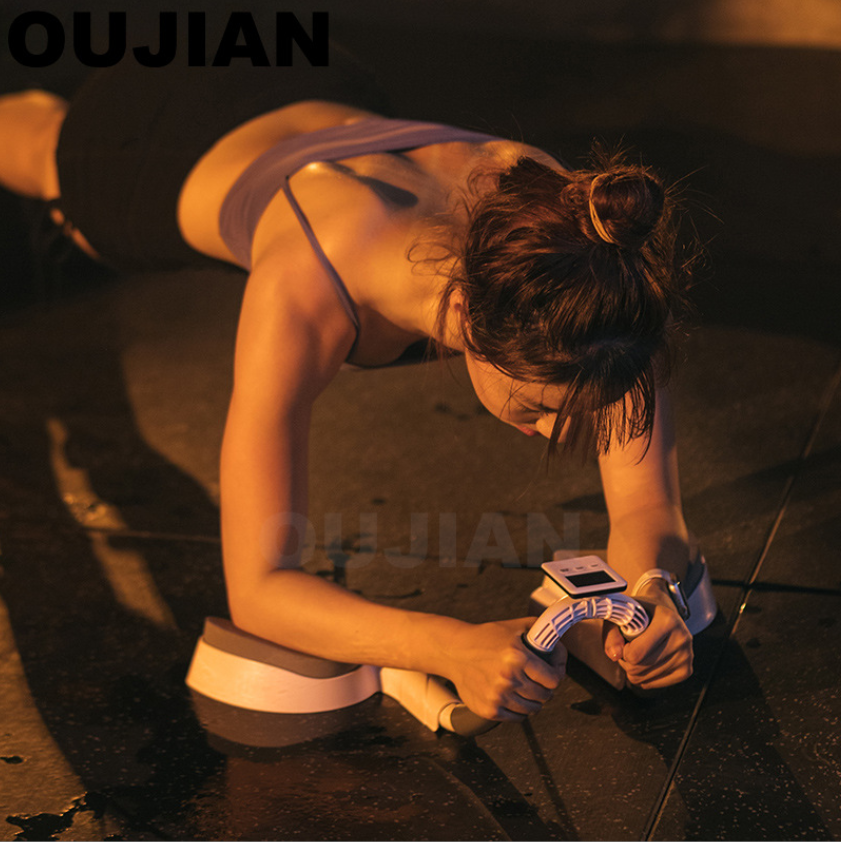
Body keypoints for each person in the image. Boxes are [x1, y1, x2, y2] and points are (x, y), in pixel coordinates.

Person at [0, 51, 701, 724]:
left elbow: (649, 509)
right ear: (465, 318)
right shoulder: (307, 284)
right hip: (152, 136)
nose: (561, 431)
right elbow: (259, 590)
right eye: (541, 408)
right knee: (53, 174)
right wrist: (448, 646)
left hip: (316, 89)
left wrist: (653, 594)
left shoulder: (584, 255)